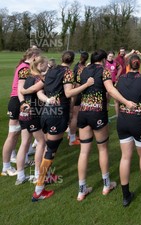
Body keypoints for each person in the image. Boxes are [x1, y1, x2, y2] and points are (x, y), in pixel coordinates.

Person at [31, 50, 95, 202]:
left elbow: (39, 91)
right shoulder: (67, 72)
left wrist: (47, 100)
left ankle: (45, 177)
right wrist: (86, 84)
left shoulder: (51, 70)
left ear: (61, 58)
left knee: (48, 147)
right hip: (56, 114)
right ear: (73, 61)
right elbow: (68, 94)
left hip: (46, 113)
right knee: (50, 152)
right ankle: (38, 190)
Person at [76, 49, 136, 202]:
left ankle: (81, 190)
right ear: (103, 60)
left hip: (83, 112)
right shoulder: (104, 71)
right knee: (102, 148)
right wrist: (127, 102)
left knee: (84, 152)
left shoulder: (82, 70)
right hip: (97, 113)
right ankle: (106, 184)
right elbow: (110, 89)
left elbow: (77, 89)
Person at [116, 54, 141, 207]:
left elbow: (116, 100)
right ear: (139, 64)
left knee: (125, 157)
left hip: (123, 120)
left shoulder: (120, 79)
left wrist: (120, 115)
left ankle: (125, 195)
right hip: (139, 121)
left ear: (127, 64)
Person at [1, 48, 40, 177]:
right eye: (38, 56)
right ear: (34, 56)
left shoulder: (25, 66)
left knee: (20, 134)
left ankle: (18, 160)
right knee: (13, 134)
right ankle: (6, 166)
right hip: (17, 103)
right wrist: (23, 103)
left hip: (19, 102)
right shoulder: (24, 68)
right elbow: (20, 89)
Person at [17, 55, 49, 185]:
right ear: (40, 66)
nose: (47, 66)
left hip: (24, 113)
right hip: (33, 113)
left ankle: (20, 176)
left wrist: (23, 101)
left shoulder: (28, 77)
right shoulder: (39, 79)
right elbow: (35, 91)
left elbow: (21, 91)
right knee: (42, 142)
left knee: (24, 143)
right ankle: (37, 174)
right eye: (45, 65)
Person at [68, 51, 89, 147]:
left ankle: (70, 134)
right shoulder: (83, 68)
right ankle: (72, 138)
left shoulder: (77, 65)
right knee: (75, 116)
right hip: (78, 92)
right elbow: (81, 82)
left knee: (73, 114)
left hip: (73, 90)